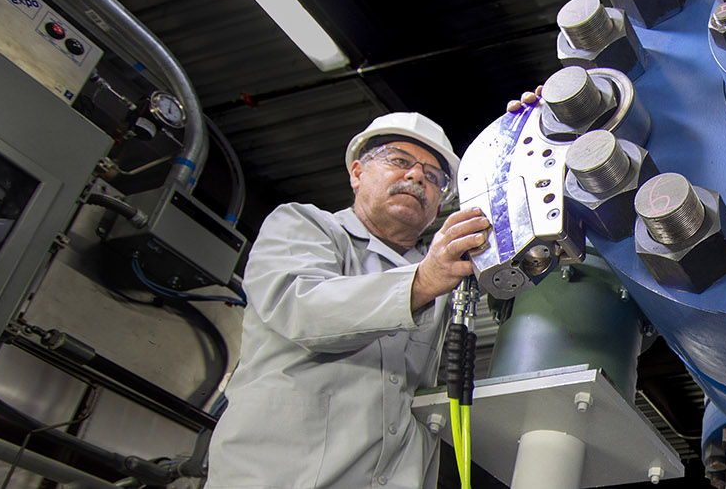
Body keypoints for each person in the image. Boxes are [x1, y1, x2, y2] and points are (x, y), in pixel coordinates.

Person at [206, 108, 509, 489]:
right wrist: (421, 282)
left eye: (433, 178)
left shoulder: (442, 279)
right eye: (400, 161)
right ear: (357, 173)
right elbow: (304, 309)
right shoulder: (305, 225)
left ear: (437, 207)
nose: (417, 176)